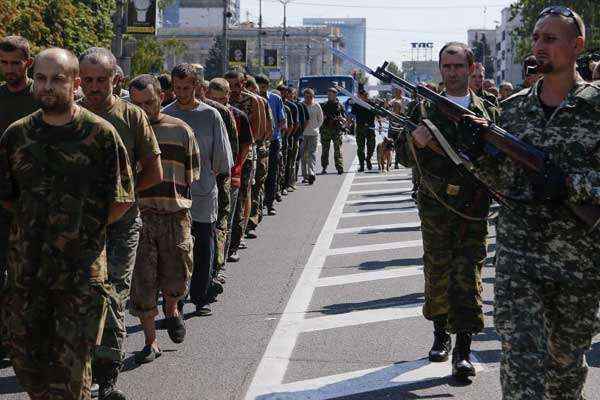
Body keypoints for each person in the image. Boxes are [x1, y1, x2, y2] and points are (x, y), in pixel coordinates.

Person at [464, 7, 600, 399]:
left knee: (565, 366)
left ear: (577, 46)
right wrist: (476, 155)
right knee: (520, 358)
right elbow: (503, 182)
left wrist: (570, 183)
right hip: (518, 259)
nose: (539, 46)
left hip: (578, 263)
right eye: (536, 38)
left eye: (550, 39)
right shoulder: (512, 110)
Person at [0, 47, 135, 400]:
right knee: (29, 368)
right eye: (41, 78)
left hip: (79, 276)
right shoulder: (17, 136)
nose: (48, 87)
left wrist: (79, 231)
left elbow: (121, 199)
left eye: (57, 79)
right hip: (27, 274)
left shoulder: (101, 135)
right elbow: (8, 196)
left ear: (74, 83)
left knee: (71, 375)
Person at [404, 42, 492, 381]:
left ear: (471, 68)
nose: (452, 72)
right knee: (438, 268)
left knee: (468, 274)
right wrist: (416, 142)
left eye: (458, 66)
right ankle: (440, 334)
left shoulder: (488, 109)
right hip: (437, 205)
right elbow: (402, 154)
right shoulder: (424, 109)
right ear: (440, 69)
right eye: (447, 66)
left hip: (473, 206)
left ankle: (463, 349)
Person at [79, 47, 163, 400]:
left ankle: (107, 372)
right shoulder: (71, 114)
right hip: (79, 223)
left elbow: (154, 171)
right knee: (82, 294)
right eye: (88, 80)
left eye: (102, 80)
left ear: (116, 79)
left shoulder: (131, 116)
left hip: (122, 223)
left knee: (113, 292)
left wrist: (125, 197)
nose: (95, 88)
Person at [128, 74, 200, 363]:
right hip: (140, 216)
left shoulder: (181, 130)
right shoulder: (127, 131)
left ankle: (172, 309)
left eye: (148, 102)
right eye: (136, 104)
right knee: (142, 281)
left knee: (179, 275)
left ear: (162, 96)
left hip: (174, 214)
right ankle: (150, 341)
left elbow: (191, 174)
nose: (143, 110)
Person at [164, 63, 233, 317]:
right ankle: (175, 301)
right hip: (173, 193)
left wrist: (204, 178)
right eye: (177, 87)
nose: (181, 92)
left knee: (204, 242)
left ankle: (201, 296)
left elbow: (221, 159)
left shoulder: (210, 115)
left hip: (203, 190)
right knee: (176, 249)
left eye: (186, 87)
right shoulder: (165, 115)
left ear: (196, 86)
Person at [0, 35, 40, 362]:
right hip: (2, 196)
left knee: (27, 273)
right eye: (4, 63)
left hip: (33, 200)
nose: (9, 69)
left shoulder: (40, 97)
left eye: (15, 63)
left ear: (28, 63)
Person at [196, 79, 239, 286]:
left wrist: (221, 171)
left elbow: (233, 147)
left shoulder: (218, 113)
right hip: (186, 183)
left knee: (216, 225)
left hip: (216, 179)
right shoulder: (170, 110)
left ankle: (214, 270)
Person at [207, 78, 254, 264]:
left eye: (221, 98)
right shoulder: (203, 114)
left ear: (228, 96)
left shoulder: (238, 116)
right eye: (214, 98)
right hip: (205, 177)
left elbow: (244, 146)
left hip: (230, 175)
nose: (218, 103)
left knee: (226, 218)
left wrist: (236, 168)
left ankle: (223, 258)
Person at [225, 71, 260, 252]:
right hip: (225, 154)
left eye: (237, 85)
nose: (233, 90)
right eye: (229, 86)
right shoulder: (220, 102)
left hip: (245, 151)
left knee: (243, 193)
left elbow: (256, 131)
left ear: (243, 84)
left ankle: (241, 230)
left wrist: (243, 154)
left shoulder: (251, 101)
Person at [244, 77, 272, 235]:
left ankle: (252, 221)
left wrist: (262, 144)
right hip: (244, 151)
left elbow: (268, 128)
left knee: (256, 187)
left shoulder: (260, 102)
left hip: (259, 149)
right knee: (248, 188)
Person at [256, 74, 286, 216]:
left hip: (272, 141)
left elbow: (282, 121)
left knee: (271, 173)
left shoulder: (275, 99)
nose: (260, 90)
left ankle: (270, 203)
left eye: (262, 87)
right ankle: (258, 205)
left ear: (267, 87)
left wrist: (271, 130)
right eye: (258, 87)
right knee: (257, 175)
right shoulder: (252, 100)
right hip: (257, 142)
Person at [320, 87, 347, 175]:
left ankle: (339, 167)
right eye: (328, 94)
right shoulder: (323, 105)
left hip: (336, 130)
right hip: (326, 129)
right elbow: (320, 118)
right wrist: (323, 118)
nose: (329, 96)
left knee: (337, 150)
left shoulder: (340, 106)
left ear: (335, 95)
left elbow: (344, 118)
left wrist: (341, 119)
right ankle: (324, 167)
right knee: (325, 150)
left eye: (331, 94)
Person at [351, 89, 378, 172]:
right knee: (360, 147)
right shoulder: (356, 104)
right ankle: (362, 165)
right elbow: (353, 114)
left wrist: (379, 123)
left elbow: (377, 113)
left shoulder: (371, 104)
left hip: (370, 128)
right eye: (360, 95)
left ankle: (368, 158)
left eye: (364, 95)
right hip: (360, 128)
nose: (361, 97)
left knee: (371, 145)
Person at [301, 88, 323, 184]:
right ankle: (305, 176)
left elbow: (321, 119)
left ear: (313, 97)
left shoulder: (316, 106)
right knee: (303, 156)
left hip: (313, 134)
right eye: (306, 97)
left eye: (310, 97)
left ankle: (311, 173)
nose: (308, 99)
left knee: (312, 154)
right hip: (303, 134)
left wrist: (315, 128)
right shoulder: (301, 105)